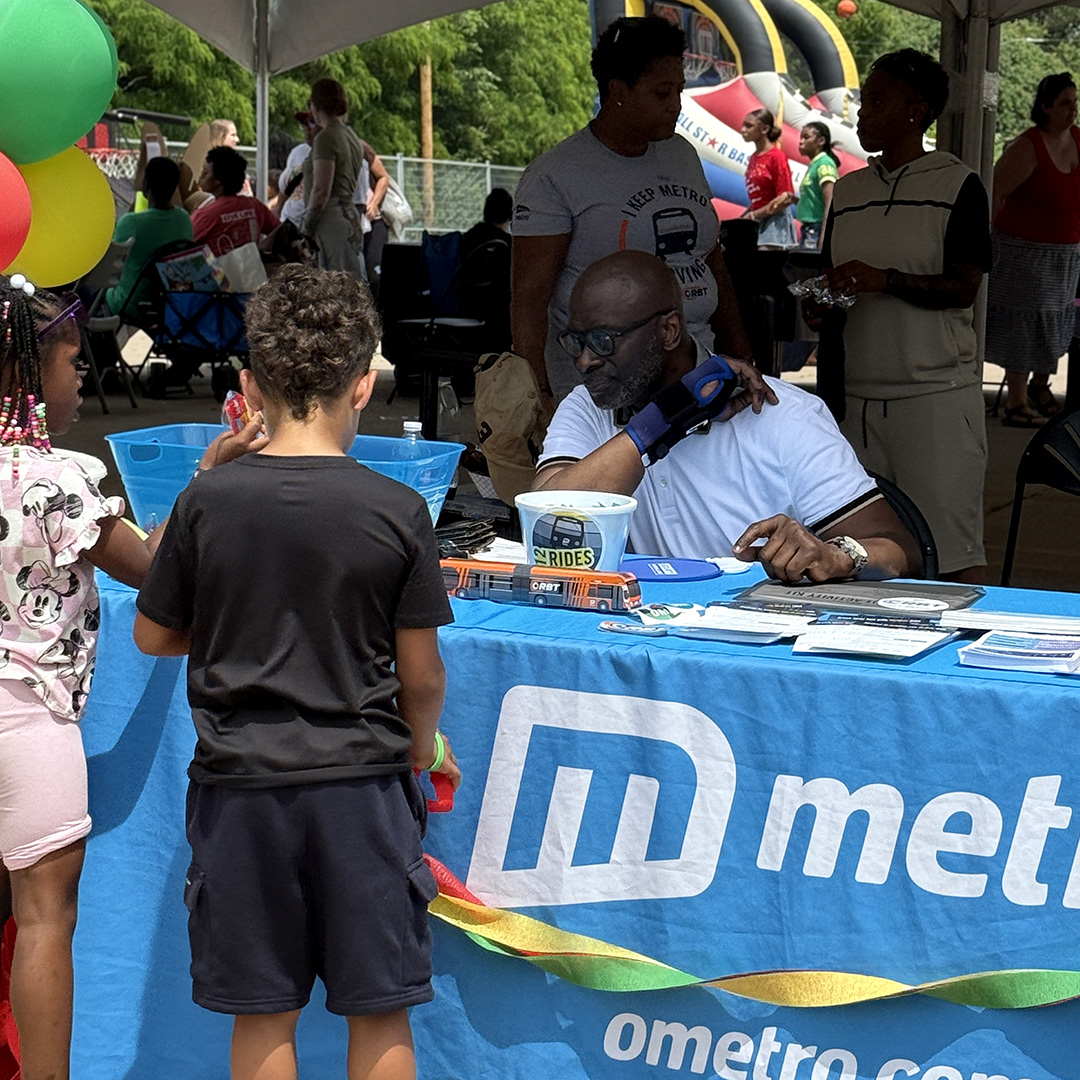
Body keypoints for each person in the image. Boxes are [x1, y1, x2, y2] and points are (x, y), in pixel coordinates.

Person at [132, 265, 461, 1080]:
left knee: (264, 1016)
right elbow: (421, 677)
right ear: (362, 387)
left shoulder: (208, 503)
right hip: (364, 793)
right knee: (379, 1011)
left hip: (242, 793)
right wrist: (419, 750)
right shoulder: (398, 510)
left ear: (246, 386)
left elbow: (153, 634)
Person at [0, 277, 197, 1080]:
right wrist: (204, 481)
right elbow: (158, 573)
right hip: (29, 719)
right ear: (27, 376)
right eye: (72, 364)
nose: (81, 379)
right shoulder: (62, 479)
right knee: (45, 920)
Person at [535, 251, 920, 581]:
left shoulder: (782, 414)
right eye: (576, 341)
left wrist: (834, 555)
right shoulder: (589, 406)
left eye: (603, 341)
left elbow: (901, 551)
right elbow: (545, 520)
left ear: (669, 330)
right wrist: (670, 418)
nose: (585, 361)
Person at [815, 49, 992, 583]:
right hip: (858, 406)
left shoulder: (958, 185)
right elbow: (837, 287)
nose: (862, 114)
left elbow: (964, 288)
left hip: (934, 398)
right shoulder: (847, 192)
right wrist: (823, 302)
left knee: (952, 553)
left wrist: (884, 279)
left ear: (916, 112)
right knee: (865, 555)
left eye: (874, 101)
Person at [512, 15, 751, 406]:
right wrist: (537, 396)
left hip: (696, 375)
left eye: (679, 90)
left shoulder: (683, 155)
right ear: (618, 90)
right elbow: (530, 297)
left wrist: (741, 356)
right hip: (602, 391)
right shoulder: (555, 175)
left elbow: (713, 263)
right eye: (661, 93)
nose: (676, 105)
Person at [986, 72, 1080, 426]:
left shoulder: (1078, 140)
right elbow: (995, 190)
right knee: (1024, 324)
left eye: (1074, 103)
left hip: (1065, 252)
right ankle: (1016, 400)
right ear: (1045, 107)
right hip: (1023, 252)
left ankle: (1042, 386)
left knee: (1055, 324)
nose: (1072, 110)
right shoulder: (1028, 146)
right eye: (1064, 103)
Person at [106, 157, 194, 317]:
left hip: (129, 302)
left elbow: (109, 265)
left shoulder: (131, 223)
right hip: (167, 302)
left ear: (146, 183)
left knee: (84, 288)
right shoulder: (184, 220)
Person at [300, 78, 367, 277]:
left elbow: (321, 190)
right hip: (349, 216)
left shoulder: (325, 137)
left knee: (334, 289)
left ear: (316, 105)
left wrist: (306, 226)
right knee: (350, 282)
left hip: (329, 220)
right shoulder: (351, 136)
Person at [191, 146, 280, 258]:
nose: (201, 177)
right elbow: (281, 231)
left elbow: (181, 249)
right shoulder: (254, 206)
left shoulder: (205, 215)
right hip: (253, 272)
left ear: (218, 180)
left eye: (205, 172)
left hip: (218, 274)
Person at [460, 189, 513, 347]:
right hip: (498, 315)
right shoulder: (508, 244)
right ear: (510, 215)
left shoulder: (467, 238)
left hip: (465, 305)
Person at [740, 108, 797, 248]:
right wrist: (744, 218)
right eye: (743, 125)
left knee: (765, 265)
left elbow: (786, 197)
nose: (743, 129)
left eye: (749, 126)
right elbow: (759, 197)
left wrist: (754, 215)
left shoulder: (776, 157)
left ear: (764, 129)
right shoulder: (754, 158)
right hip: (757, 221)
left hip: (775, 225)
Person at [794, 122, 839, 250]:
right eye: (800, 138)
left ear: (821, 141)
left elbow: (830, 203)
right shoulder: (814, 165)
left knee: (810, 269)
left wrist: (823, 237)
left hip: (817, 229)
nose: (801, 142)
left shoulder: (824, 164)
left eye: (806, 137)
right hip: (808, 229)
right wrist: (793, 200)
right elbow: (815, 202)